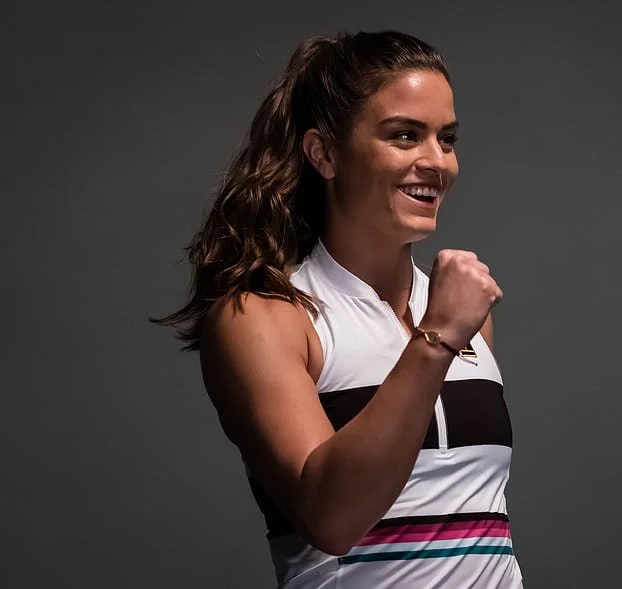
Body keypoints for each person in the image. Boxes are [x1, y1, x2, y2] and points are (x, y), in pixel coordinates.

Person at [153, 30, 523, 588]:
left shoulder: (462, 313)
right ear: (324, 153)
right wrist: (437, 338)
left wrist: (443, 328)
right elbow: (332, 519)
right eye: (404, 136)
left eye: (446, 139)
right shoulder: (265, 317)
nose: (436, 162)